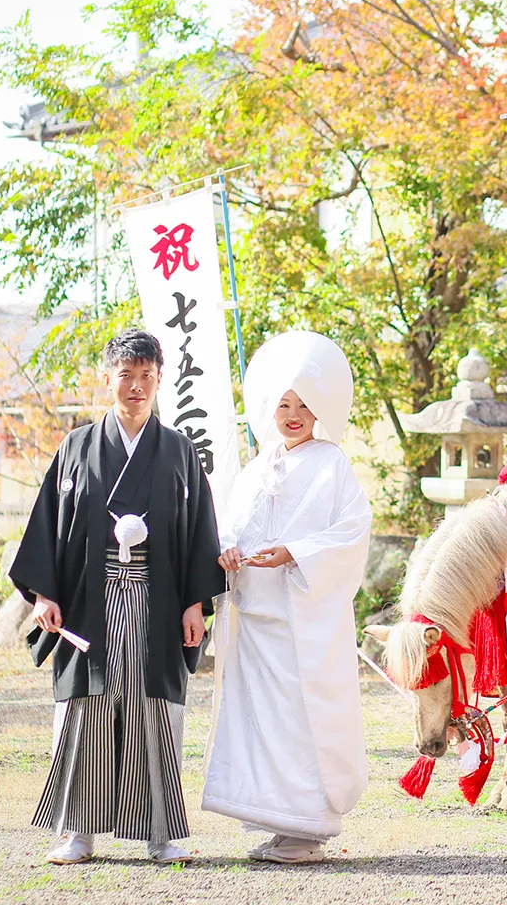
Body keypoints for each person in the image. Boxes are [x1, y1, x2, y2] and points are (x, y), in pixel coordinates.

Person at [10, 330, 224, 866]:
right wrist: (43, 593)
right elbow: (49, 527)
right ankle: (78, 831)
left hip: (157, 598)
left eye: (146, 376)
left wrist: (194, 603)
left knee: (155, 711)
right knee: (86, 709)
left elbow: (198, 529)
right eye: (125, 375)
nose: (135, 386)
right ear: (106, 379)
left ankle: (161, 833)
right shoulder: (76, 447)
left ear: (159, 380)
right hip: (89, 599)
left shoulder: (178, 450)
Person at [202, 331, 372, 864]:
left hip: (305, 621)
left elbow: (352, 532)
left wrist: (295, 552)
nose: (293, 414)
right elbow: (229, 528)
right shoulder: (256, 468)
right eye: (283, 404)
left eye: (303, 405)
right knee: (261, 719)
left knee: (302, 717)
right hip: (257, 619)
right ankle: (280, 821)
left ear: (320, 410)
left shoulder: (333, 465)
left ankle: (310, 825)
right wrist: (228, 552)